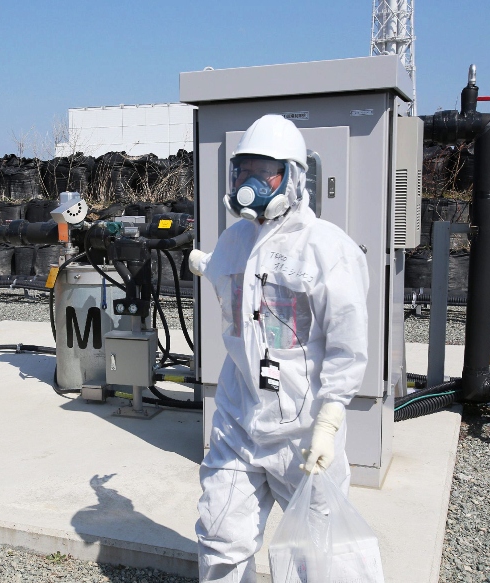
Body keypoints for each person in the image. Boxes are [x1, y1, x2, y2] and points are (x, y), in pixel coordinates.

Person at [187, 114, 370, 582]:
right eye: (242, 169)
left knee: (318, 557)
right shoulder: (233, 240)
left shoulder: (328, 250)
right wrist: (203, 262)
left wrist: (329, 421)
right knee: (220, 537)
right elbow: (237, 289)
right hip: (239, 419)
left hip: (303, 432)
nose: (249, 182)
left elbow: (347, 346)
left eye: (263, 170)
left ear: (293, 176)